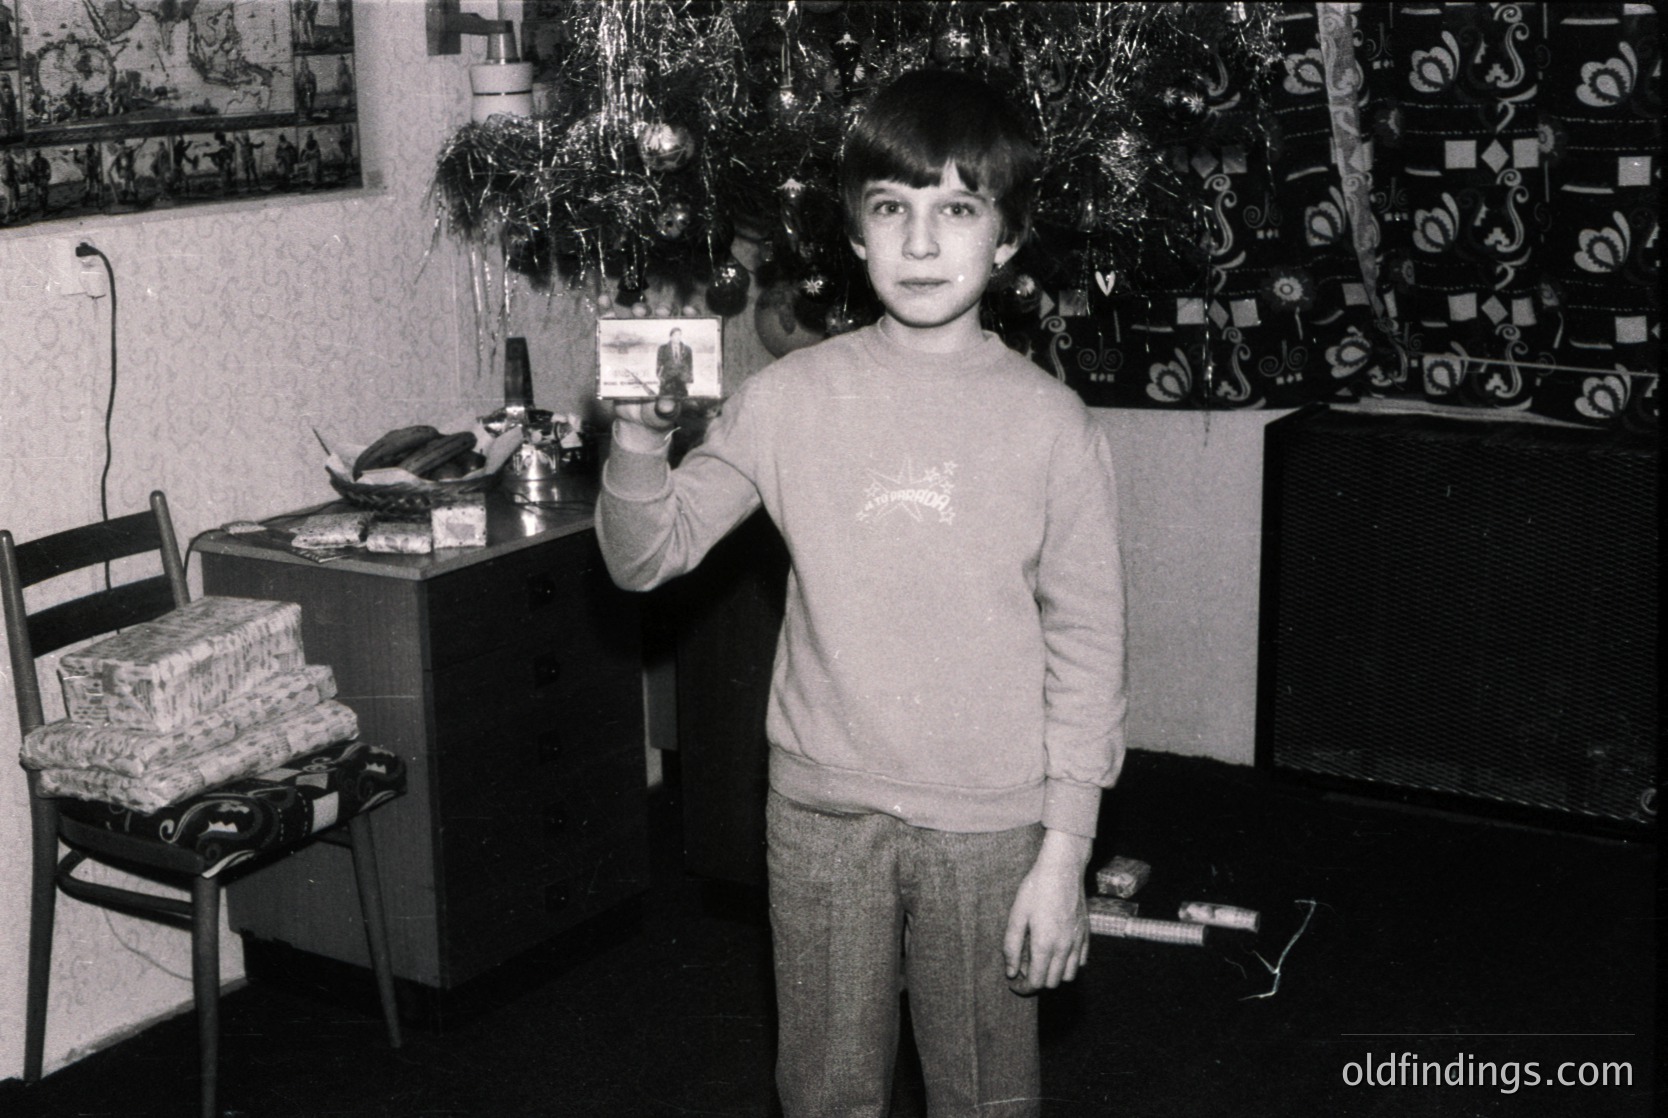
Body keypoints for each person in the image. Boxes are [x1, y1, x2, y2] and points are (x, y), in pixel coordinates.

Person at [596, 69, 1125, 1117]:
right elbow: (644, 555)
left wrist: (1065, 855)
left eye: (956, 210)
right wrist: (638, 439)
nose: (920, 244)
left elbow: (1090, 650)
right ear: (854, 231)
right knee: (829, 1090)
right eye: (892, 210)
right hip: (822, 812)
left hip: (990, 822)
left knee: (985, 1093)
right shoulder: (788, 399)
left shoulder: (1053, 426)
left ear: (1007, 238)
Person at [654, 326, 694, 398]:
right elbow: (659, 365)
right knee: (664, 402)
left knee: (683, 403)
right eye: (675, 335)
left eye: (679, 335)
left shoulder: (687, 349)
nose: (678, 337)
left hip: (682, 381)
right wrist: (659, 378)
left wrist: (689, 380)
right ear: (671, 337)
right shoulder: (663, 349)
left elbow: (690, 366)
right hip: (667, 382)